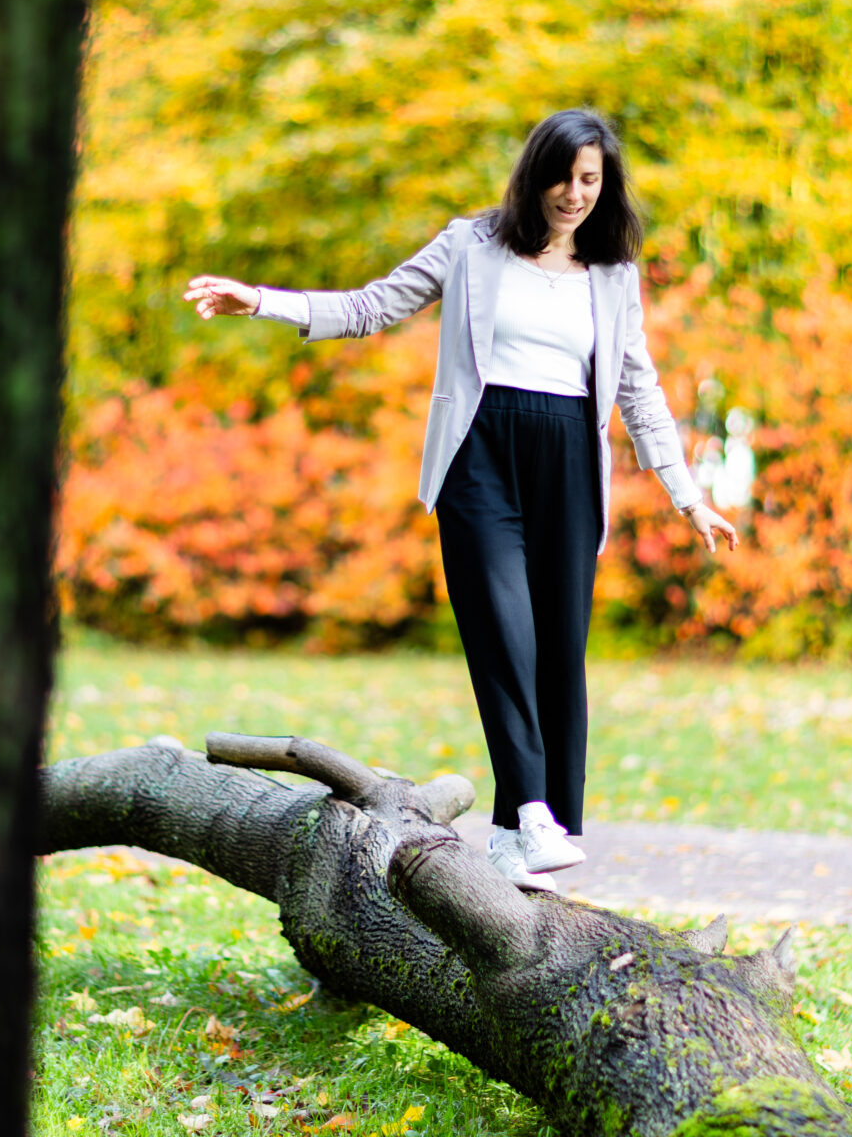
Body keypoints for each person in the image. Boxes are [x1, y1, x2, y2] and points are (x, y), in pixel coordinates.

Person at [181, 108, 739, 893]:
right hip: (480, 455)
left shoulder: (614, 277)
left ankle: (520, 837)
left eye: (590, 180)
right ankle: (538, 813)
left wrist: (686, 493)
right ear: (533, 173)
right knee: (505, 638)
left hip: (570, 464)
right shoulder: (471, 245)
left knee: (558, 658)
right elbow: (374, 306)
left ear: (604, 187)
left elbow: (637, 389)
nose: (573, 195)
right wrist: (266, 301)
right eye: (562, 177)